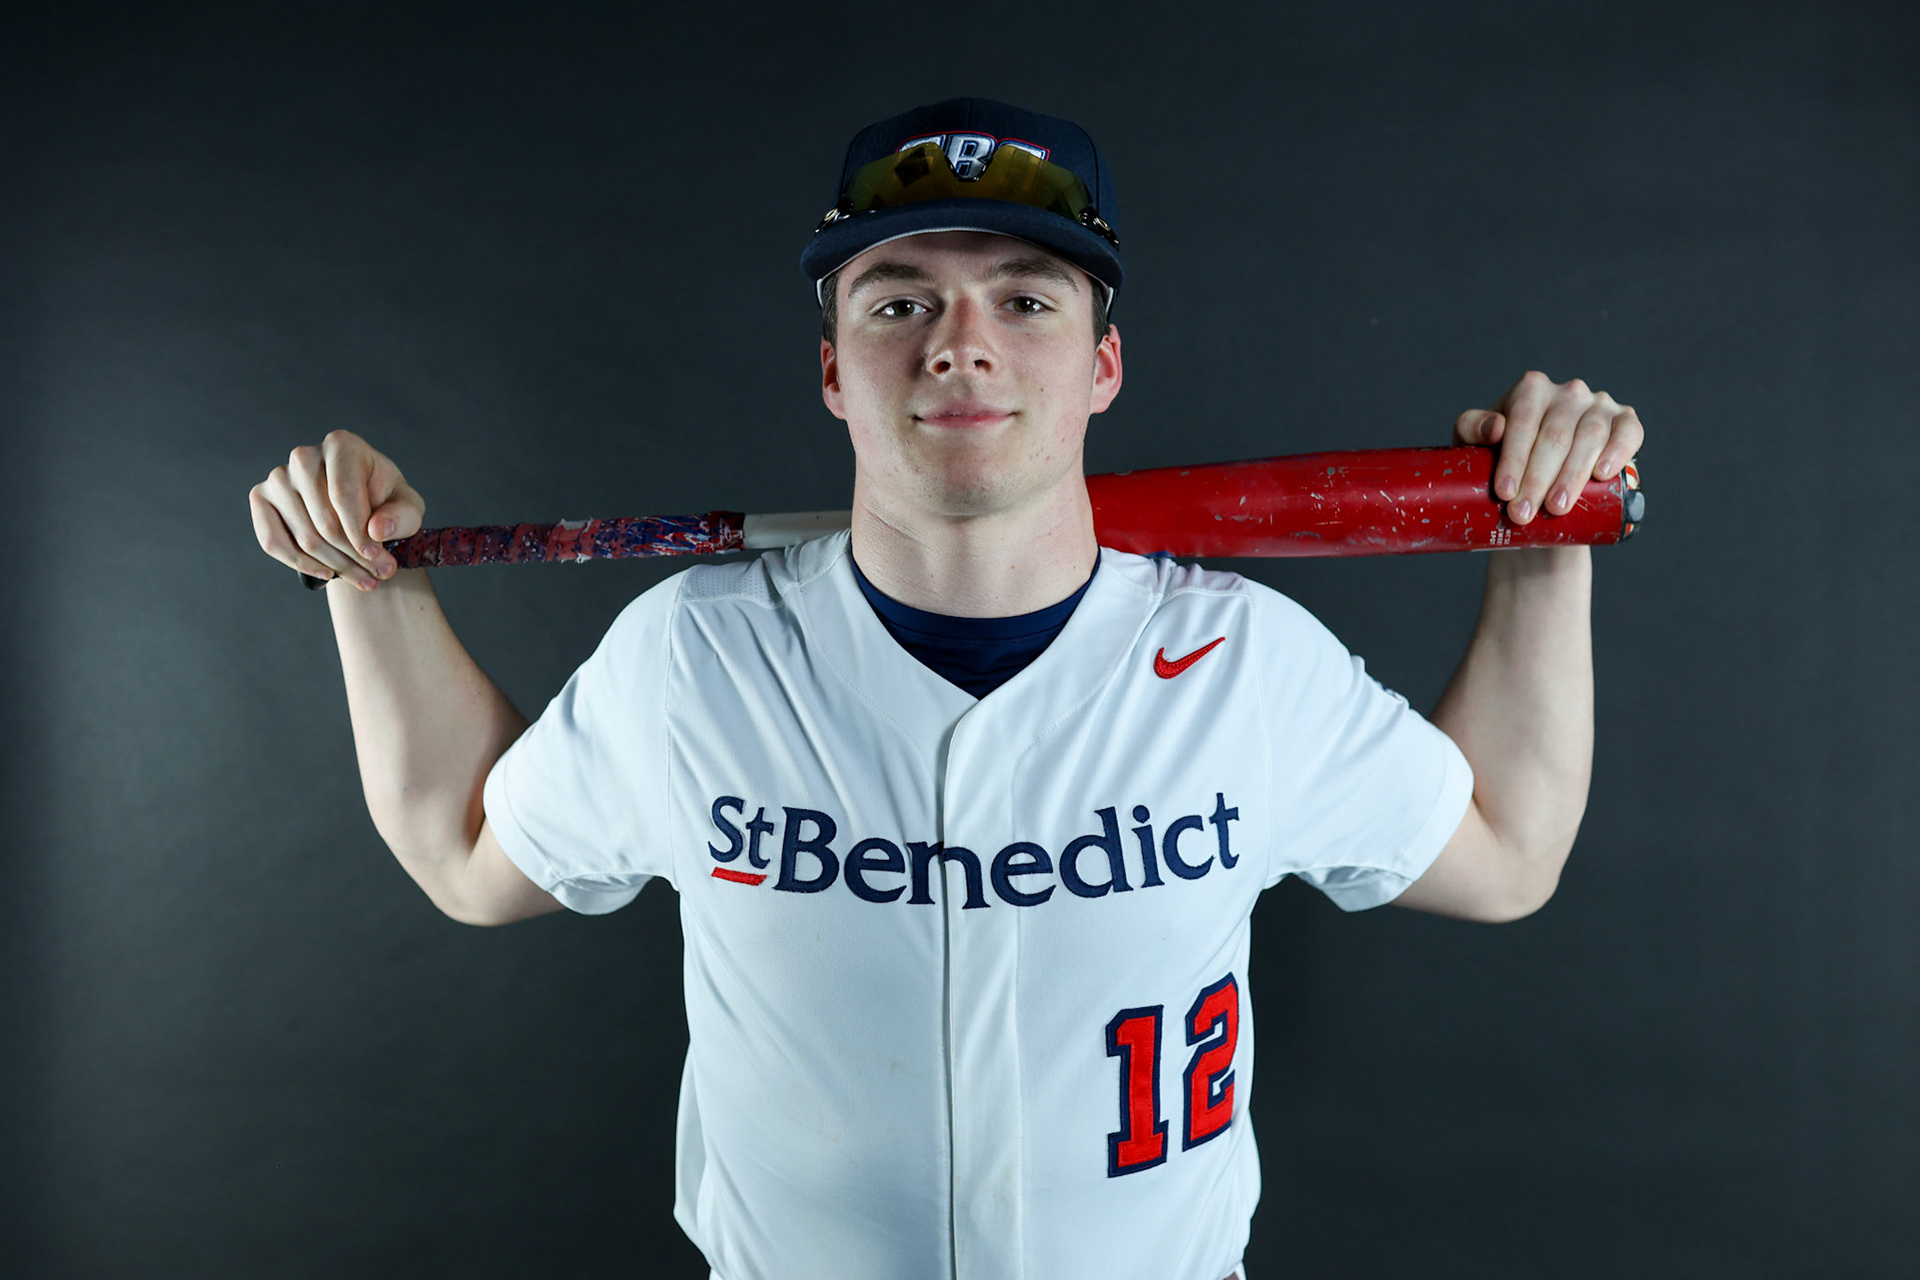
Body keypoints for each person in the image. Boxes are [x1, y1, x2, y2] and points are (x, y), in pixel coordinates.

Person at [247, 99, 1644, 1280]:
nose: (958, 342)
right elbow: (467, 854)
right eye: (899, 300)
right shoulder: (695, 658)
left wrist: (1541, 543)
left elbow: (1506, 857)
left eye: (1025, 301)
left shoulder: (1247, 664)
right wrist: (366, 578)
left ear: (1103, 365)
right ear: (833, 371)